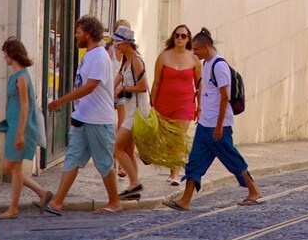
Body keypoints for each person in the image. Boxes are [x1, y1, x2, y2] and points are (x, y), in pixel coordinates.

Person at [164, 28, 262, 211]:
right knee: (195, 161)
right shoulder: (207, 64)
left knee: (232, 159)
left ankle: (254, 190)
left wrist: (218, 126)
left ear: (206, 47)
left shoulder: (219, 66)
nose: (194, 52)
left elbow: (225, 97)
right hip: (205, 125)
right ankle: (185, 200)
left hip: (218, 127)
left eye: (196, 49)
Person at [45, 16, 123, 214]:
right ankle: (57, 202)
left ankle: (115, 202)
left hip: (98, 120)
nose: (76, 35)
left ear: (87, 34)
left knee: (104, 162)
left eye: (78, 31)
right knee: (72, 158)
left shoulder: (99, 56)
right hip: (82, 118)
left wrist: (62, 100)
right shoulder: (89, 55)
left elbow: (90, 86)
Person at [0, 37, 52, 219]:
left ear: (12, 53)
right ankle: (42, 193)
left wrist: (20, 133)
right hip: (14, 126)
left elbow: (25, 106)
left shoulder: (21, 78)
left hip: (21, 128)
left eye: (5, 52)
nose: (4, 56)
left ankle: (13, 209)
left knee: (16, 168)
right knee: (10, 167)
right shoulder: (16, 76)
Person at [149, 24, 201, 184]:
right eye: (177, 35)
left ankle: (175, 174)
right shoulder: (163, 57)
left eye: (183, 36)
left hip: (185, 103)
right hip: (164, 102)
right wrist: (152, 104)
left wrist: (200, 106)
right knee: (168, 139)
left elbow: (198, 85)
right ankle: (172, 167)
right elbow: (156, 82)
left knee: (178, 137)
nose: (179, 38)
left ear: (188, 39)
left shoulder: (194, 59)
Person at [110, 26, 148, 200]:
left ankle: (134, 183)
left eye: (118, 42)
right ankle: (135, 186)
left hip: (138, 113)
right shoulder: (125, 61)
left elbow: (143, 87)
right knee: (127, 149)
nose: (116, 46)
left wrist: (124, 88)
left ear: (126, 44)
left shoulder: (136, 61)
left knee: (115, 147)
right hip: (132, 110)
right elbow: (112, 84)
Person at [110, 19, 133, 177]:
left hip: (124, 95)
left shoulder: (132, 58)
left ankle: (120, 166)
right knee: (111, 128)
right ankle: (114, 163)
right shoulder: (108, 51)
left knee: (121, 128)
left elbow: (142, 84)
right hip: (109, 93)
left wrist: (122, 88)